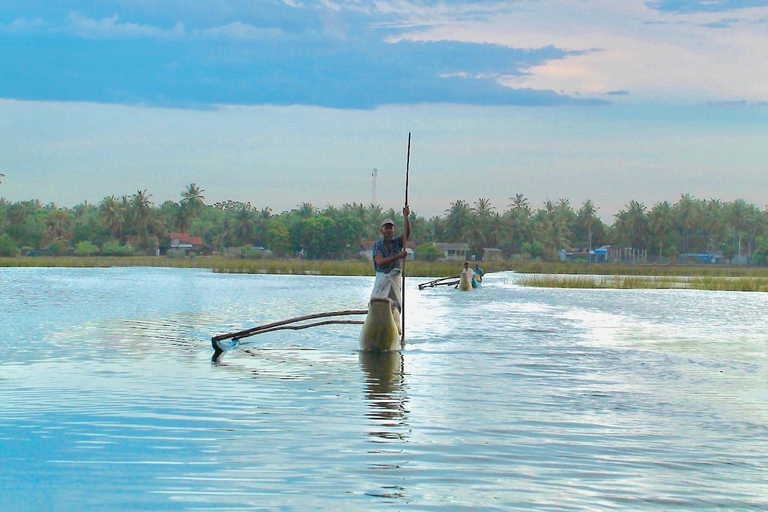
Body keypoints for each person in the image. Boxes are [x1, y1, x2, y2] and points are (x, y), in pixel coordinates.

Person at [371, 206, 411, 331]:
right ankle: (375, 324)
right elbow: (380, 262)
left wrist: (406, 217)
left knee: (395, 302)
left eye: (391, 228)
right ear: (382, 231)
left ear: (394, 230)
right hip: (382, 277)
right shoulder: (377, 244)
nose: (389, 230)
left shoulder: (398, 243)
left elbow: (407, 234)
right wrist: (398, 256)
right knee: (377, 301)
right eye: (386, 228)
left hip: (394, 277)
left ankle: (395, 326)